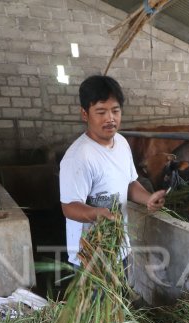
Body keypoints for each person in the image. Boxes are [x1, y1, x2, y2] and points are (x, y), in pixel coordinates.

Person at [59, 75, 166, 268]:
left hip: (119, 248)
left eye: (115, 111)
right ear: (85, 114)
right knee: (95, 299)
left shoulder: (122, 143)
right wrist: (98, 213)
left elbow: (129, 183)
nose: (110, 118)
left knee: (121, 298)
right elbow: (69, 207)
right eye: (101, 112)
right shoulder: (78, 157)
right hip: (90, 255)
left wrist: (147, 198)